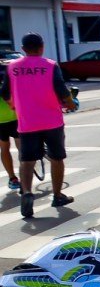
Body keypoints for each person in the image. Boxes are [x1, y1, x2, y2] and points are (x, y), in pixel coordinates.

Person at [0, 33, 78, 219]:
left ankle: (27, 192)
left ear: (23, 49)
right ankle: (57, 196)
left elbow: (4, 92)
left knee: (27, 161)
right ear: (42, 47)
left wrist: (14, 105)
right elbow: (62, 90)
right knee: (57, 158)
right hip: (52, 121)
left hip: (27, 122)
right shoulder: (50, 65)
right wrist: (70, 103)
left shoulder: (12, 67)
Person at [0, 60, 20, 191]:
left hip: (3, 120)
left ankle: (13, 178)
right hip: (15, 116)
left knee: (4, 148)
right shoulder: (7, 69)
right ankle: (24, 176)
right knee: (22, 148)